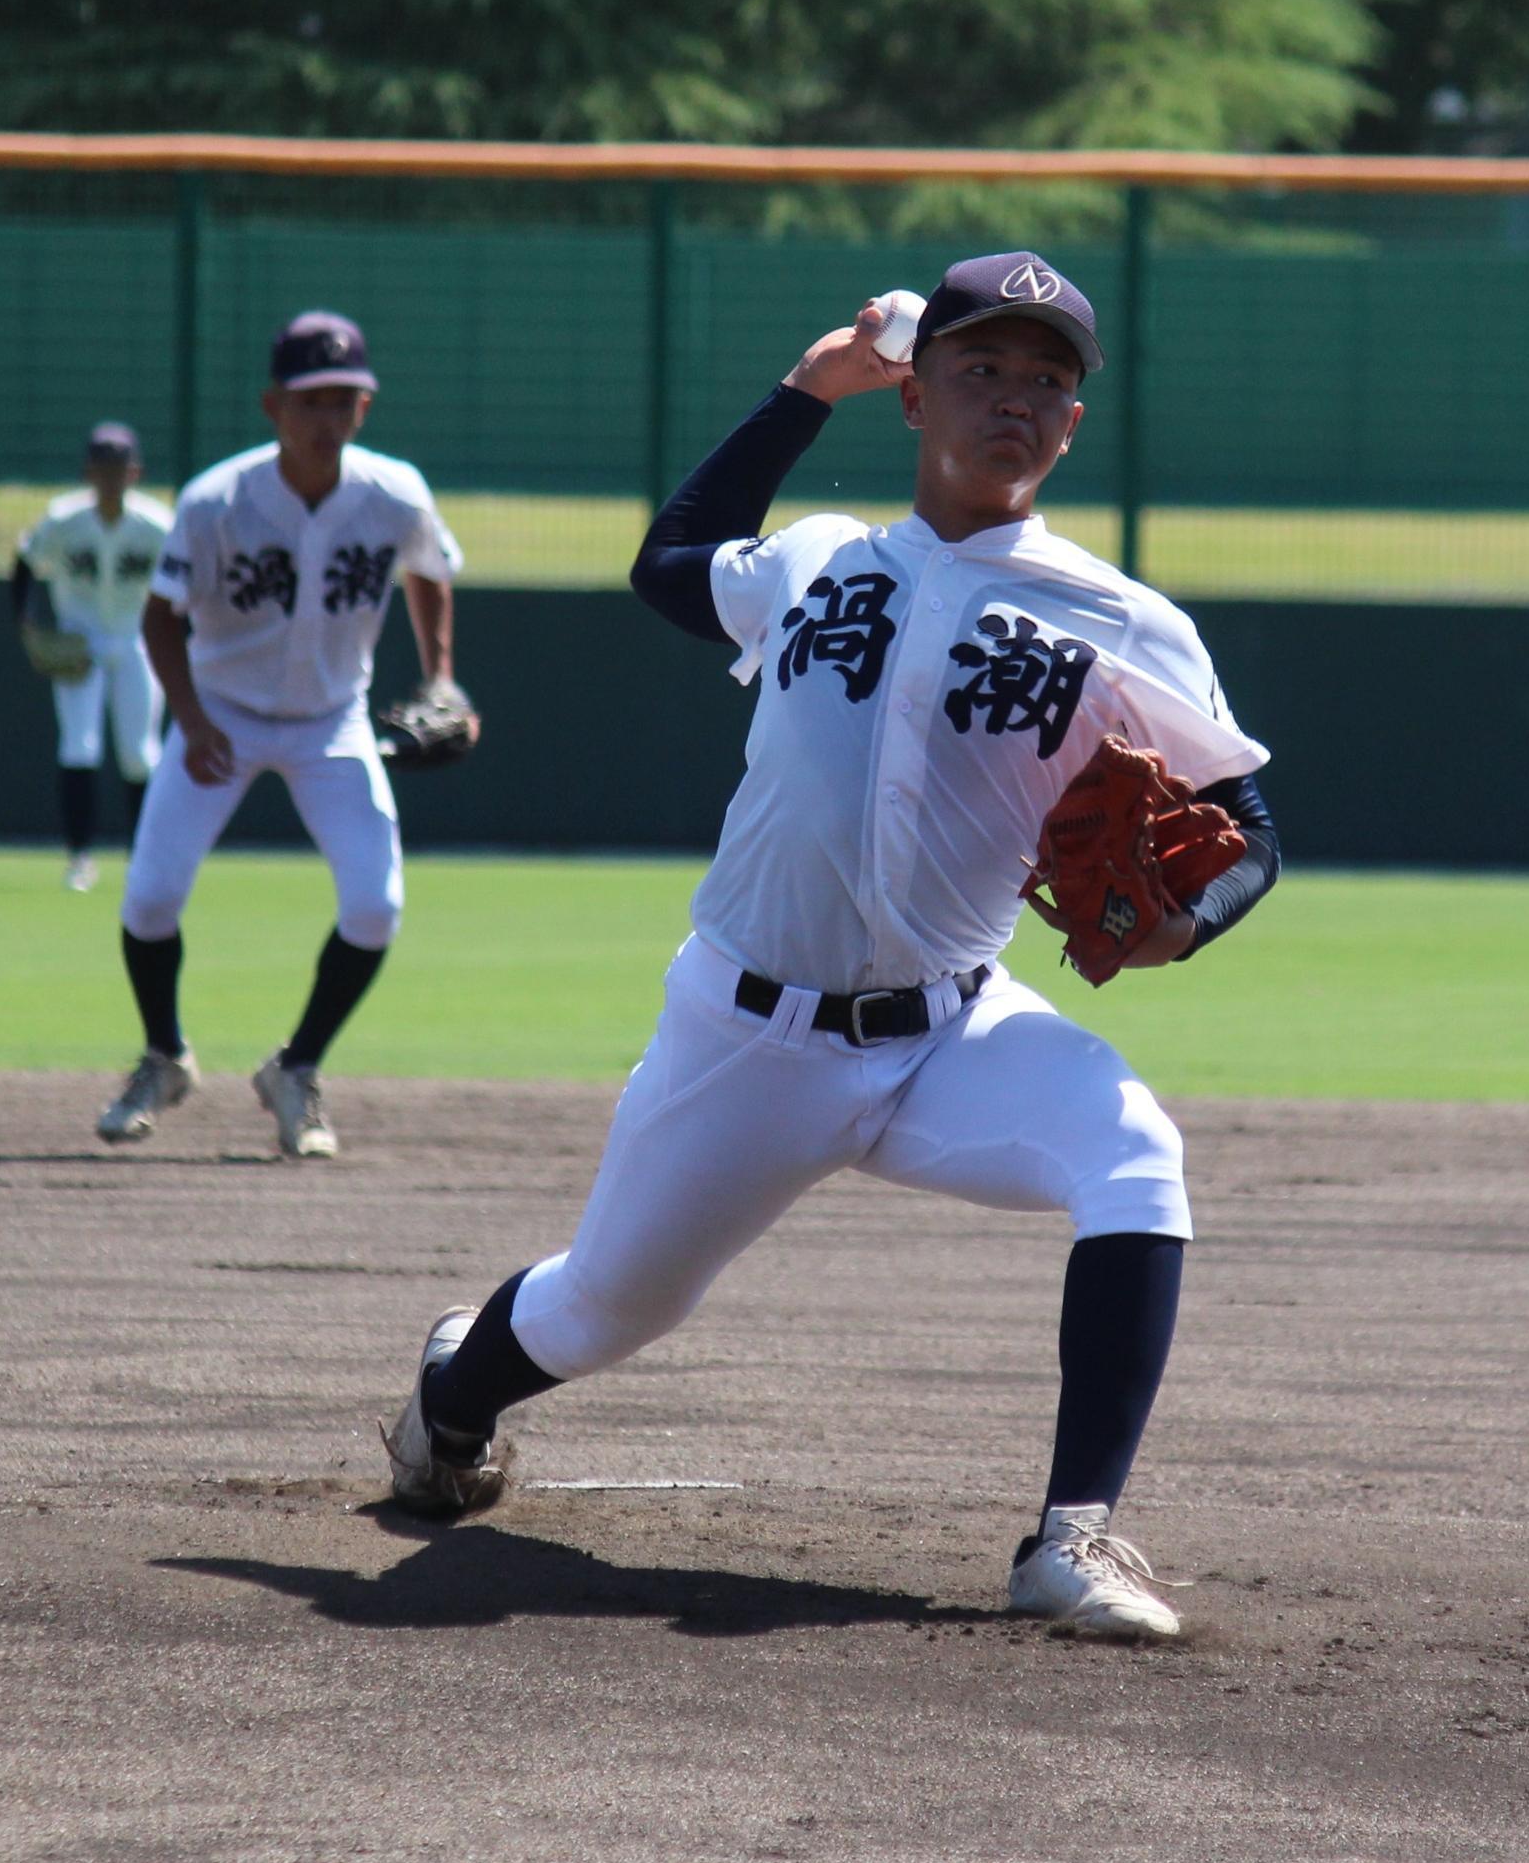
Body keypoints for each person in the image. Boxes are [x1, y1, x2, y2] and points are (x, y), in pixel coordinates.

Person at [379, 254, 1281, 1642]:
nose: (1019, 401)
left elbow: (1250, 828)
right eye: (985, 369)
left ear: (1075, 423)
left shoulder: (1122, 620)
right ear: (916, 396)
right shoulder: (821, 557)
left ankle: (1072, 1537)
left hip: (952, 1030)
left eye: (1051, 380)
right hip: (745, 1033)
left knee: (1136, 1152)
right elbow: (669, 564)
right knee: (602, 1306)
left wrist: (1190, 918)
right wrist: (804, 391)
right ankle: (451, 1400)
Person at [94, 311, 476, 1160]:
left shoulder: (394, 492)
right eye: (311, 399)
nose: (328, 416)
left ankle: (295, 1069)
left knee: (376, 906)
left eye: (346, 399)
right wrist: (189, 720)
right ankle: (164, 1057)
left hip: (332, 717)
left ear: (365, 410)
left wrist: (440, 675)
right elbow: (161, 621)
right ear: (273, 405)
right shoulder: (216, 500)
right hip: (221, 711)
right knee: (150, 898)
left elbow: (432, 571)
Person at [11, 422, 172, 891]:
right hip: (80, 643)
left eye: (119, 468)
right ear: (88, 470)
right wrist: (27, 624)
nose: (110, 477)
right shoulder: (64, 518)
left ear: (135, 472)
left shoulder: (156, 523)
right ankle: (80, 857)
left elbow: (189, 575)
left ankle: (146, 857)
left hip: (135, 639)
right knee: (79, 745)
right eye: (102, 467)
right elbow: (25, 560)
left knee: (140, 754)